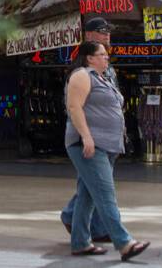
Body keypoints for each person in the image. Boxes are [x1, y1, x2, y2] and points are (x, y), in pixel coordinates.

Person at [64, 41, 150, 260]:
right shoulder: (81, 75)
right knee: (105, 194)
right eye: (101, 54)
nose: (106, 57)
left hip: (107, 145)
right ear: (89, 58)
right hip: (91, 145)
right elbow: (74, 107)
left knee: (87, 195)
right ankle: (124, 243)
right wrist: (86, 137)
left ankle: (80, 242)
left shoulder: (104, 78)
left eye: (106, 54)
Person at [60, 17, 114, 241]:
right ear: (89, 35)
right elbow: (74, 105)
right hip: (91, 134)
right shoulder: (82, 70)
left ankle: (77, 221)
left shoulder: (106, 67)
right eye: (102, 32)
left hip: (105, 135)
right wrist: (86, 134)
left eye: (108, 32)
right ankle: (112, 233)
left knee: (92, 183)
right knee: (101, 183)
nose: (107, 35)